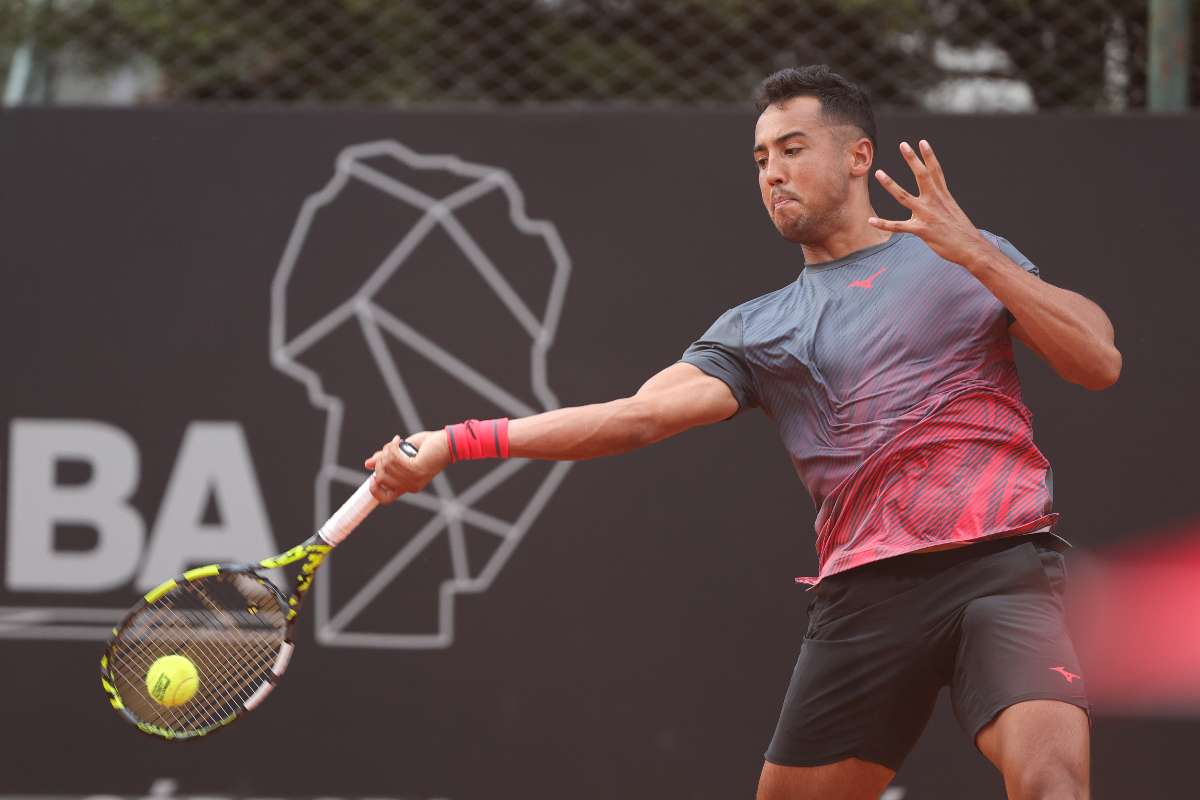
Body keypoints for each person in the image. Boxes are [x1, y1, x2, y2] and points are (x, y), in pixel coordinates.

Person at [365, 65, 1120, 799]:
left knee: (1052, 781)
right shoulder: (759, 330)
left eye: (793, 149)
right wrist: (458, 440)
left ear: (859, 156)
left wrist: (980, 257)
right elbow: (638, 417)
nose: (772, 173)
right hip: (862, 596)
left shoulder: (962, 257)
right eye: (761, 158)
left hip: (1000, 569)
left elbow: (1097, 361)